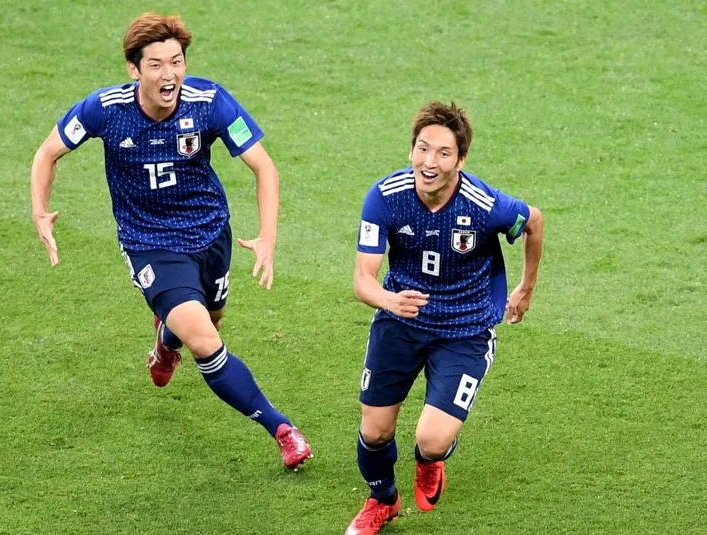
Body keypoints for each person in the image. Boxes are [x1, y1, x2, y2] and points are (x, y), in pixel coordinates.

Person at [30, 12, 312, 470]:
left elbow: (264, 167)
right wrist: (39, 209)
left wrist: (268, 236)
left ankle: (165, 341)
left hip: (210, 233)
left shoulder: (209, 102)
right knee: (205, 341)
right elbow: (48, 153)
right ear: (133, 69)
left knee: (212, 318)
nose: (169, 75)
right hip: (150, 243)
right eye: (156, 65)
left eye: (176, 62)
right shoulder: (105, 109)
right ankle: (282, 430)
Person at [345, 101, 544, 534]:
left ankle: (429, 461)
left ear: (461, 160)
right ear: (411, 149)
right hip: (401, 320)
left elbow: (534, 221)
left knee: (431, 439)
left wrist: (525, 288)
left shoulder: (484, 204)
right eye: (422, 148)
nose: (429, 162)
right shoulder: (385, 197)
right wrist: (389, 301)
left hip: (464, 330)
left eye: (443, 153)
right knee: (375, 432)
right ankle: (383, 501)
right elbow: (363, 279)